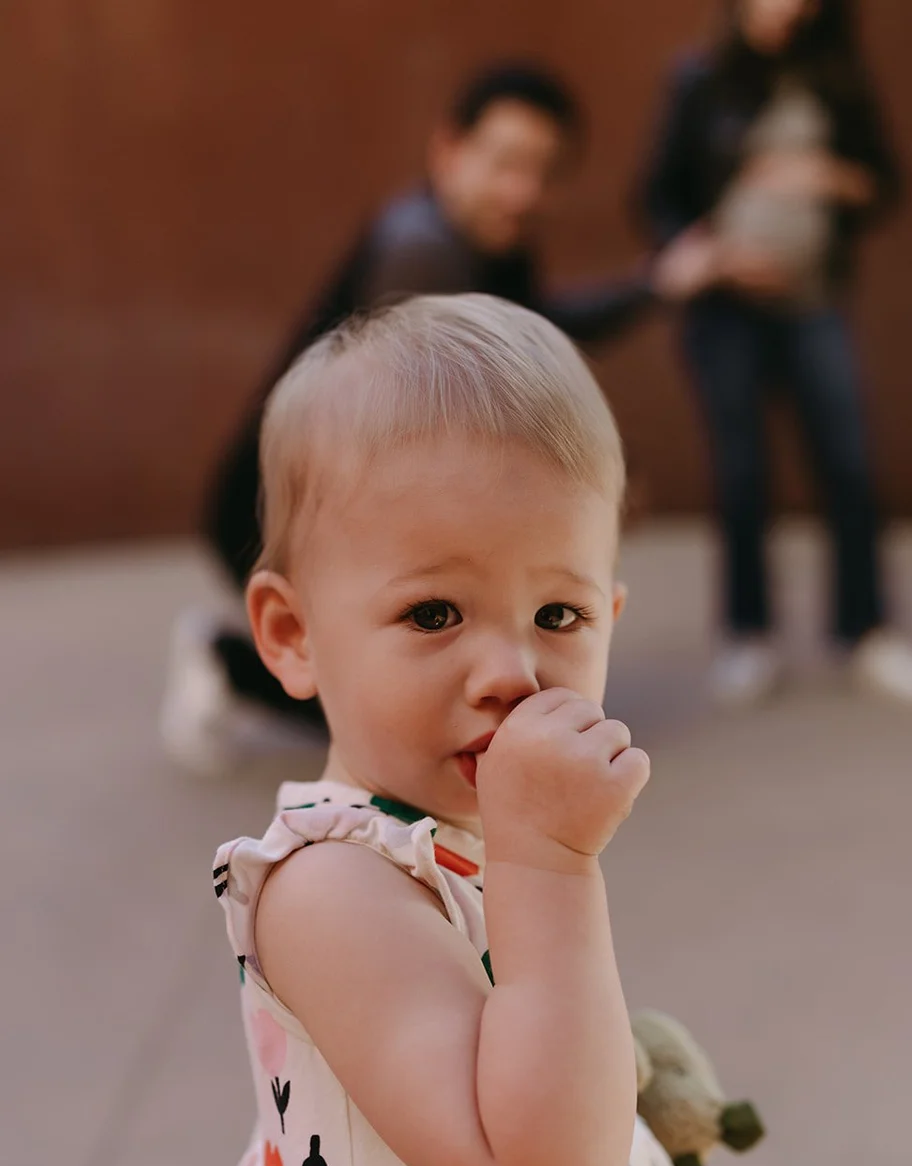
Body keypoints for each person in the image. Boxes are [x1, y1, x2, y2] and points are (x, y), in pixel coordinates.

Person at [158, 295, 718, 1166]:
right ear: (292, 635)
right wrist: (549, 863)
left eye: (558, 614)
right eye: (433, 613)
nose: (511, 670)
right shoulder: (327, 887)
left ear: (610, 617)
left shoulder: (467, 830)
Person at [163, 63, 662, 773]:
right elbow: (461, 413)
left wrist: (654, 285)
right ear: (448, 151)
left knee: (419, 678)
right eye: (506, 163)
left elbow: (543, 326)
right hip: (276, 509)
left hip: (321, 497)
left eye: (543, 172)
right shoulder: (421, 250)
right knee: (391, 698)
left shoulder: (490, 241)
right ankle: (227, 664)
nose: (522, 190)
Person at [640, 0, 912, 706]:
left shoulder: (835, 77)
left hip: (814, 302)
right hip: (726, 312)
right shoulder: (701, 78)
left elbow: (884, 182)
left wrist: (824, 176)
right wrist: (715, 256)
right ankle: (749, 634)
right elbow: (657, 198)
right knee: (743, 472)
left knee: (849, 462)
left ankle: (865, 629)